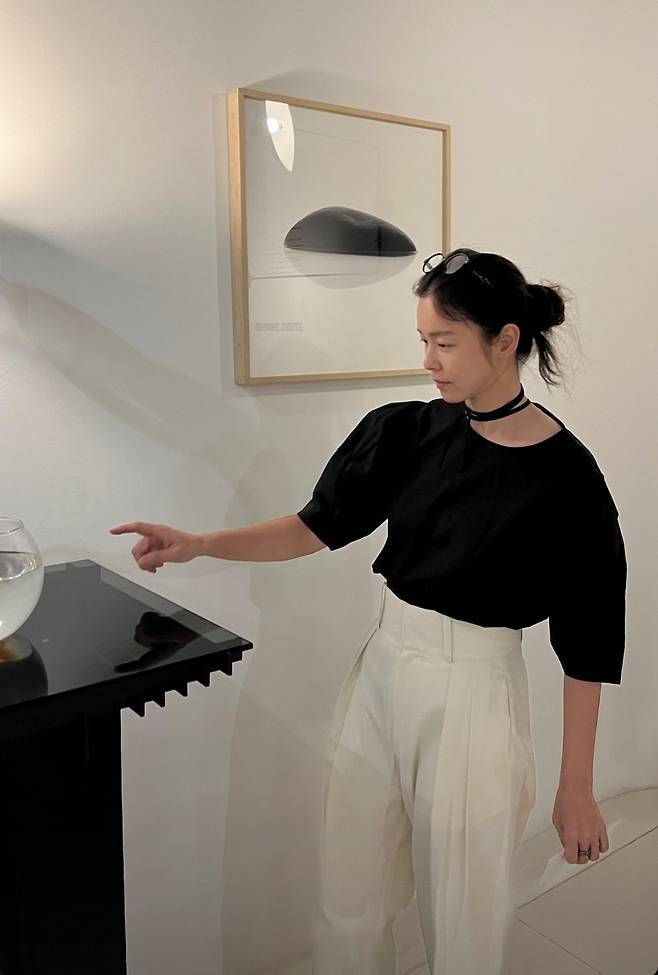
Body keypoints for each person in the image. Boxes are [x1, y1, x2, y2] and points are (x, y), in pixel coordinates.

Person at [110, 247, 627, 975]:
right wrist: (199, 543)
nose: (428, 361)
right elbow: (314, 526)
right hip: (382, 671)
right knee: (349, 887)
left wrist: (576, 786)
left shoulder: (566, 477)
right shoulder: (407, 431)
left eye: (445, 342)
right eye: (423, 340)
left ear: (505, 340)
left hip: (474, 694)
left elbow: (588, 640)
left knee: (465, 914)